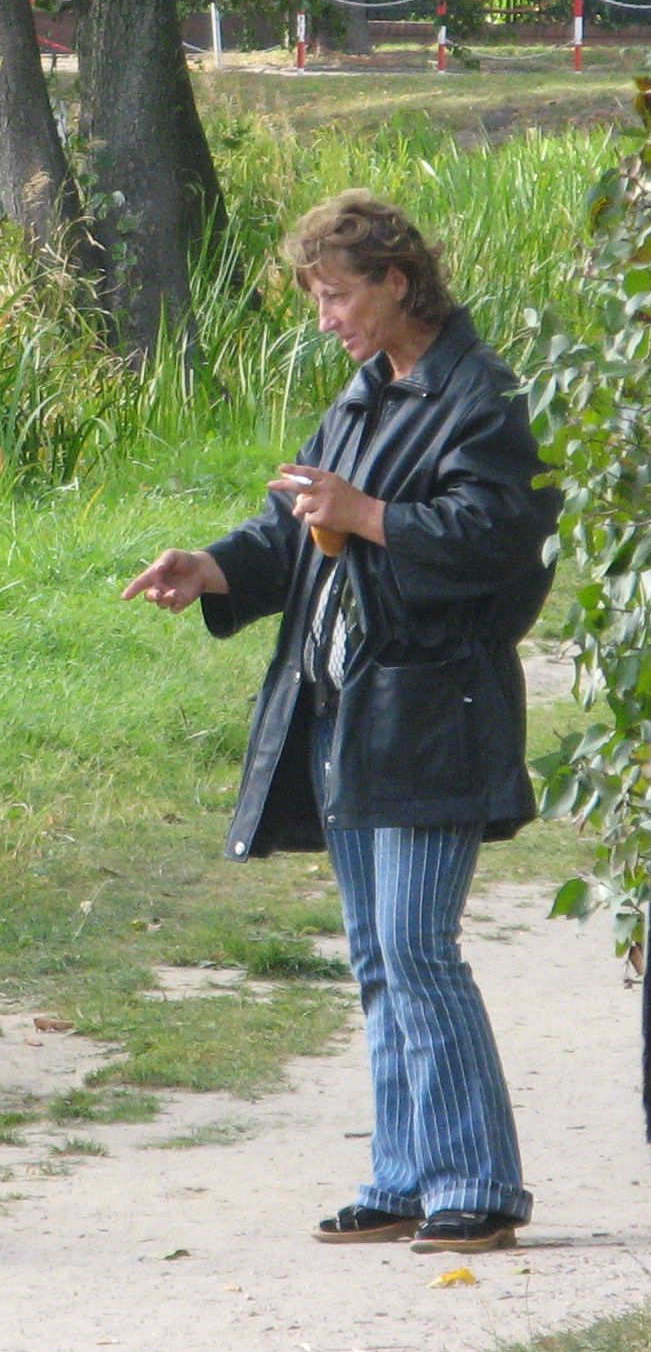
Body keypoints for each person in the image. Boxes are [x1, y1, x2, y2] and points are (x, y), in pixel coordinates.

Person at [123, 192, 558, 1254]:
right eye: (317, 297)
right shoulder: (365, 395)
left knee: (418, 945)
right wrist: (213, 565)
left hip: (434, 711)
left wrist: (367, 515)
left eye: (335, 295)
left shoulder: (483, 399)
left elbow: (502, 541)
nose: (323, 318)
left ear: (396, 283)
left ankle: (478, 1182)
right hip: (343, 713)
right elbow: (291, 523)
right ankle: (404, 1174)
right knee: (373, 950)